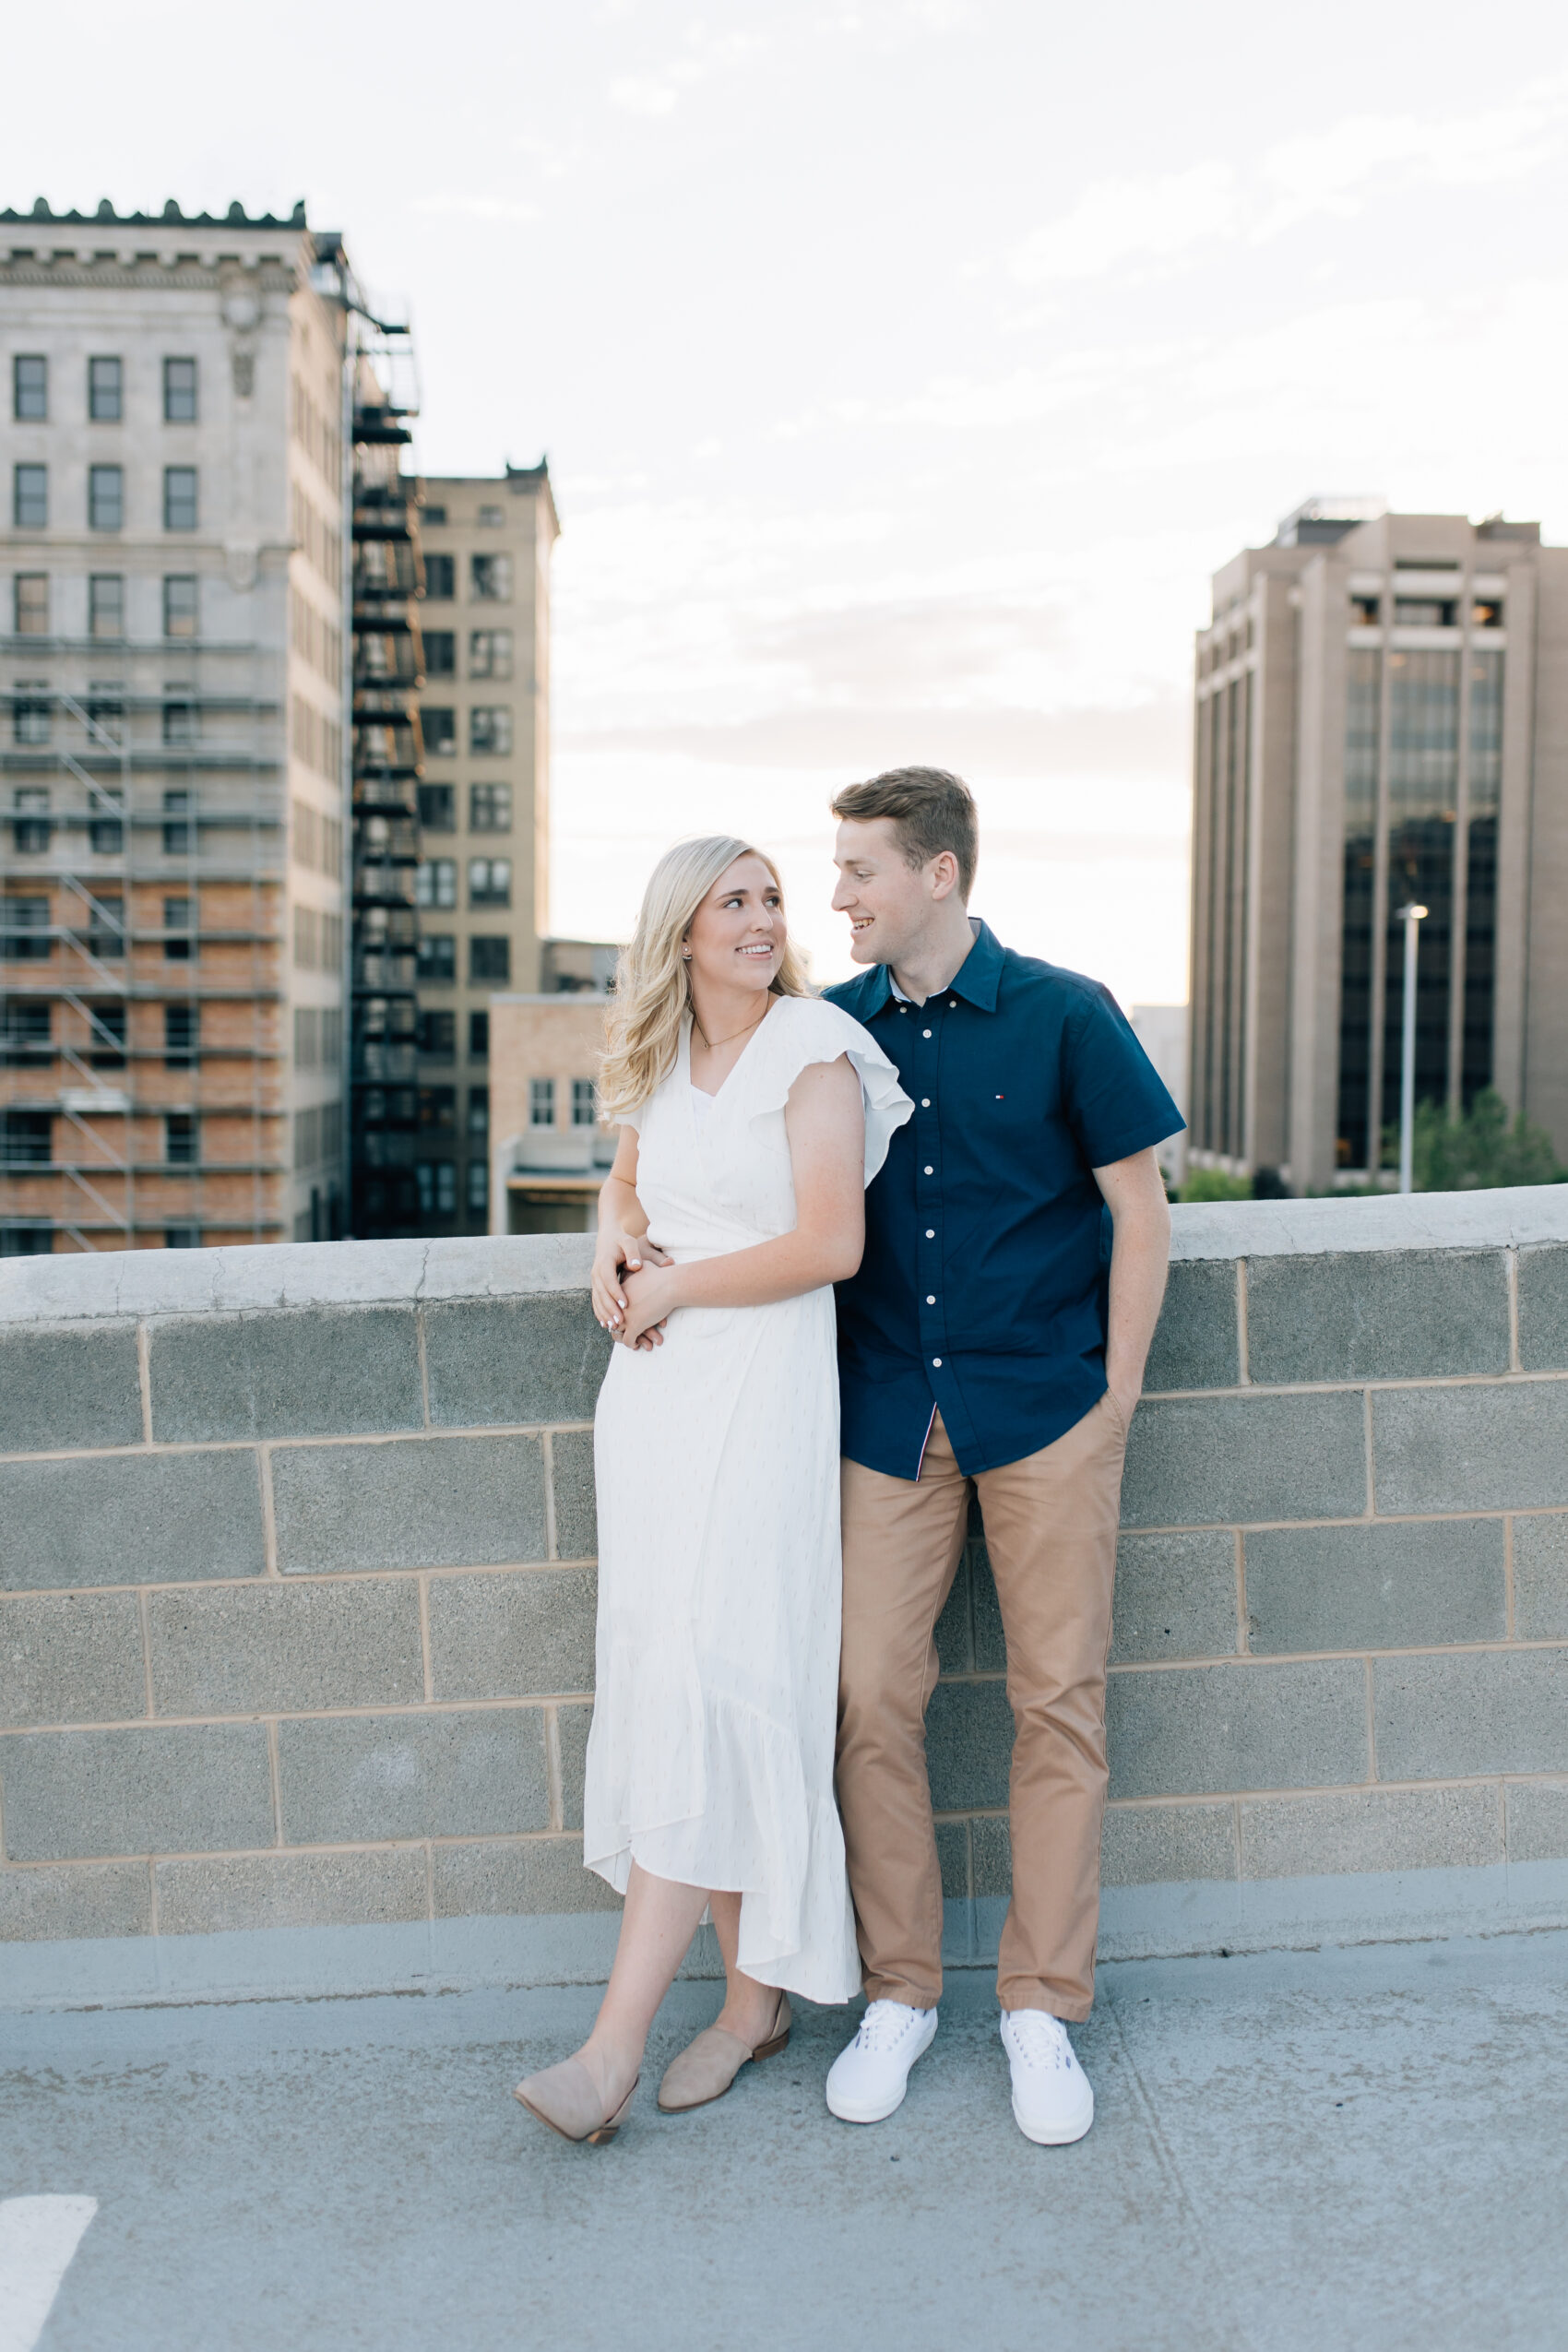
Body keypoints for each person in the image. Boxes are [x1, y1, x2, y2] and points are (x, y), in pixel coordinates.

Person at [513, 835, 911, 2145]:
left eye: (770, 899)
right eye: (731, 901)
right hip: (655, 1413)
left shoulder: (814, 1049)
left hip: (762, 1399)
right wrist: (614, 1248)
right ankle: (754, 2004)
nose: (760, 917)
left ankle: (613, 2047)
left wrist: (677, 1282)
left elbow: (829, 1241)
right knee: (678, 1672)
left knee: (723, 1676)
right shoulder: (656, 1056)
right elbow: (628, 1181)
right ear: (680, 930)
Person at [820, 766, 1182, 2147]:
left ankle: (1040, 2004)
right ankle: (903, 1991)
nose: (839, 896)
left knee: (1058, 1704)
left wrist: (1117, 1400)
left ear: (940, 875)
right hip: (883, 1419)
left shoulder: (1067, 1013)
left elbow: (1140, 1211)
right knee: (868, 1697)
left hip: (1045, 1412)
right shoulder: (830, 1030)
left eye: (860, 871)